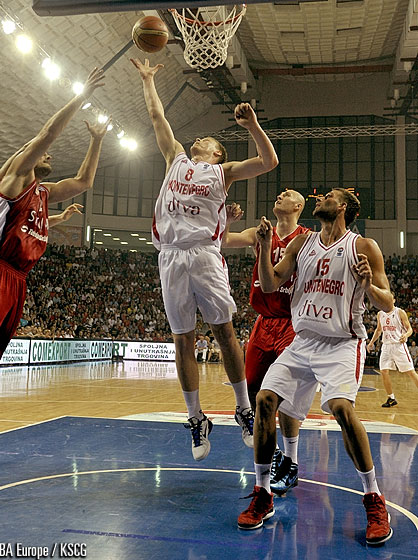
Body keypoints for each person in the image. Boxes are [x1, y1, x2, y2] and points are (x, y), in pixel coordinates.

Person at [131, 57, 278, 461]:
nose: (200, 140)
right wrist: (148, 79)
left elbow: (268, 163)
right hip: (170, 257)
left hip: (205, 256)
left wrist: (252, 127)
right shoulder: (175, 157)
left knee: (224, 332)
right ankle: (196, 419)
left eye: (208, 141)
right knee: (182, 339)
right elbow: (156, 115)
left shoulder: (223, 172)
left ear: (216, 154)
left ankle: (243, 408)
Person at [237, 188, 393, 547]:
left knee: (341, 408)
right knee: (263, 400)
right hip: (303, 340)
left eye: (328, 196)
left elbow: (387, 302)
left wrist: (369, 285)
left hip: (341, 343)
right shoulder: (302, 243)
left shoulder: (363, 247)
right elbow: (270, 282)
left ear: (341, 208)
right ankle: (263, 494)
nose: (319, 197)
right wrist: (262, 248)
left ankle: (373, 498)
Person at [0, 67, 107, 488]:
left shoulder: (42, 194)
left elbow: (86, 180)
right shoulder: (15, 177)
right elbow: (47, 137)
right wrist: (81, 96)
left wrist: (97, 139)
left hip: (17, 281)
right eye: (41, 154)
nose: (50, 157)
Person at [222, 190, 309, 495]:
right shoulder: (258, 233)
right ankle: (270, 450)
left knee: (282, 395)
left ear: (298, 207)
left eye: (287, 194)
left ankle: (290, 461)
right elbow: (220, 241)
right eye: (279, 192)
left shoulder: (305, 239)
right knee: (251, 393)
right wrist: (226, 219)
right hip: (263, 322)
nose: (280, 194)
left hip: (291, 323)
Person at [367, 301, 418, 407]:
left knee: (411, 372)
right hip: (386, 346)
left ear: (393, 300)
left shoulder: (400, 312)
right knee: (383, 371)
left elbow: (410, 329)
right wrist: (371, 342)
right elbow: (378, 330)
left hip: (398, 345)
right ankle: (391, 398)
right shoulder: (380, 314)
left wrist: (406, 335)